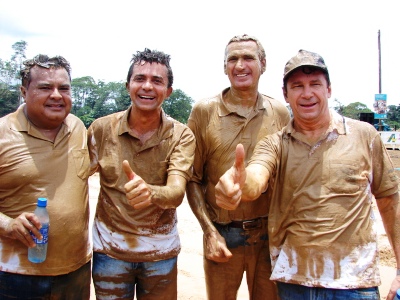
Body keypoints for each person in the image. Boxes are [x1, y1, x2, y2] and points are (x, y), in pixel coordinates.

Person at [215, 49, 400, 300]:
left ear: (329, 90)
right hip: (294, 284)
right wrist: (239, 184)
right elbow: (257, 177)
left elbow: (389, 201)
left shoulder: (364, 136)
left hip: (355, 285)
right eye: (297, 86)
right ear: (286, 95)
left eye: (315, 84)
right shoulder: (275, 144)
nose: (307, 93)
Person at [186, 34, 290, 299]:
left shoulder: (279, 112)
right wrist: (209, 232)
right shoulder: (204, 111)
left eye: (248, 58)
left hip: (268, 236)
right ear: (224, 67)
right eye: (232, 59)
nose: (240, 65)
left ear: (263, 64)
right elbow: (193, 178)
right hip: (222, 234)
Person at [88, 48, 195, 299]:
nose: (147, 86)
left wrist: (151, 192)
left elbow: (177, 192)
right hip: (109, 252)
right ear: (128, 86)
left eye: (157, 81)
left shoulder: (181, 135)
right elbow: (74, 179)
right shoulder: (101, 129)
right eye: (140, 79)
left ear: (168, 92)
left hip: (161, 254)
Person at [0, 54, 91, 298]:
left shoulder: (78, 128)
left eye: (64, 88)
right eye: (45, 87)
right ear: (23, 91)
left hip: (76, 270)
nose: (56, 95)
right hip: (15, 274)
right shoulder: (2, 134)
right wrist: (8, 224)